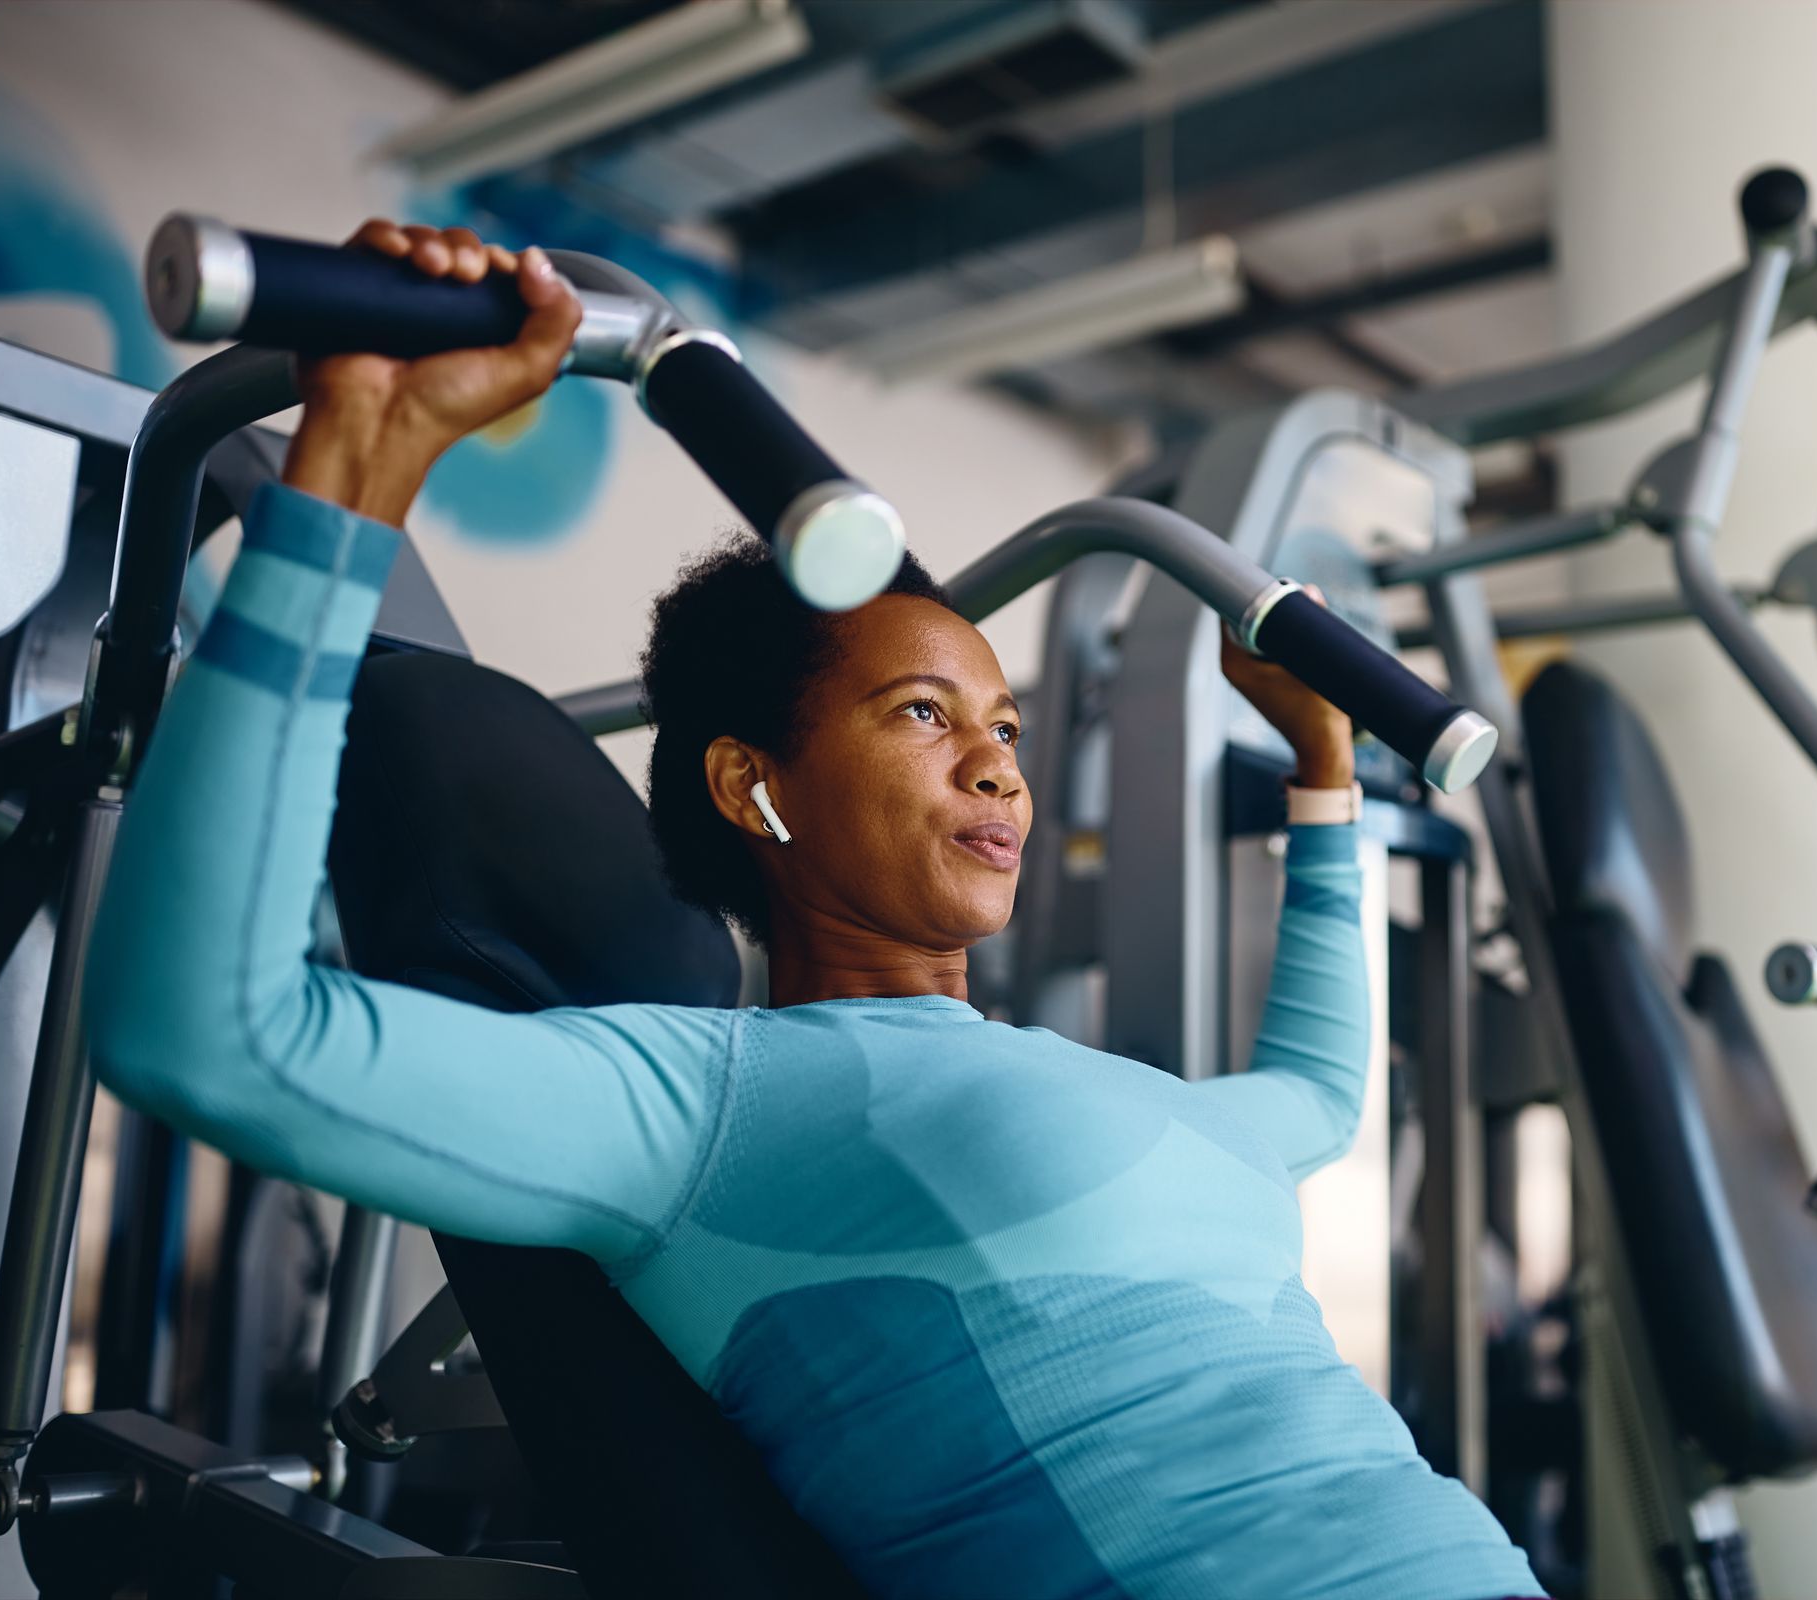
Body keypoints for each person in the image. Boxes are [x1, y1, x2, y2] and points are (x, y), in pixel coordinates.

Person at [85, 224, 1544, 1600]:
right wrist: (348, 485)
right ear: (751, 785)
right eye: (924, 713)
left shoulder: (1126, 1097)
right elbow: (210, 1036)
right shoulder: (705, 1105)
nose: (998, 766)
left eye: (1009, 730)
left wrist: (1325, 776)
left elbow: (1316, 1096)